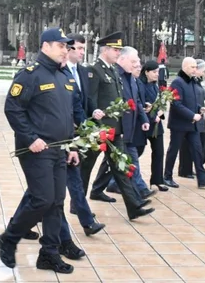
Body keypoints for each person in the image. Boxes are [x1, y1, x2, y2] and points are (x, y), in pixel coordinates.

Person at [0, 28, 80, 274]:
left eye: (67, 46)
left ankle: (49, 254)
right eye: (61, 45)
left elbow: (68, 117)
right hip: (35, 149)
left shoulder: (64, 76)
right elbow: (12, 108)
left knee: (56, 202)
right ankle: (9, 238)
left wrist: (72, 145)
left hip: (59, 149)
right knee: (42, 198)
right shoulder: (30, 75)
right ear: (46, 46)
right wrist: (31, 138)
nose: (65, 50)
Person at [81, 33, 153, 220]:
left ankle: (134, 206)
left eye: (120, 49)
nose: (117, 52)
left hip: (115, 130)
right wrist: (95, 119)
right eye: (115, 49)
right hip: (100, 131)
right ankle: (78, 204)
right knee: (86, 167)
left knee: (121, 169)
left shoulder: (113, 70)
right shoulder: (94, 70)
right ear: (105, 50)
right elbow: (91, 99)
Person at [62, 33, 105, 235]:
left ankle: (87, 221)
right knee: (46, 188)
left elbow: (83, 102)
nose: (82, 52)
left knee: (72, 179)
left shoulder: (83, 72)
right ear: (67, 49)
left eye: (83, 48)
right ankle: (87, 221)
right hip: (58, 136)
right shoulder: (58, 72)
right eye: (78, 48)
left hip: (78, 133)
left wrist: (88, 126)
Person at [100, 47, 154, 198]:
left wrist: (143, 118)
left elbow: (135, 101)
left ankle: (100, 188)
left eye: (137, 61)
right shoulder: (114, 75)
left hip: (129, 127)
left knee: (112, 161)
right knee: (130, 157)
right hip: (118, 127)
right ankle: (140, 189)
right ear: (121, 60)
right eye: (133, 61)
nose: (136, 64)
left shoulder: (131, 78)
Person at [163, 58, 205, 189]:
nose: (195, 69)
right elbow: (176, 103)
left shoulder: (193, 81)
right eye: (192, 67)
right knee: (174, 150)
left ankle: (202, 178)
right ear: (185, 67)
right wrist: (192, 115)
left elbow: (193, 101)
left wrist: (200, 108)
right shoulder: (178, 82)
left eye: (195, 67)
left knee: (197, 149)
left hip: (192, 124)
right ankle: (167, 176)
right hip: (179, 123)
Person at [138, 60, 167, 192]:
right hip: (143, 124)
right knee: (136, 153)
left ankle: (157, 180)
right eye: (154, 72)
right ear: (146, 72)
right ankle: (116, 180)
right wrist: (152, 116)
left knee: (159, 152)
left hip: (156, 125)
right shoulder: (140, 85)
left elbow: (159, 105)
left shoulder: (156, 86)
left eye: (158, 72)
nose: (157, 74)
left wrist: (160, 114)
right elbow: (142, 106)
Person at [178, 59, 205, 178]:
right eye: (202, 70)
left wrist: (201, 107)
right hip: (189, 117)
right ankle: (185, 169)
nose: (203, 73)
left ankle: (199, 174)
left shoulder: (196, 81)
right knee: (186, 146)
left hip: (197, 115)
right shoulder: (183, 82)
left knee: (197, 146)